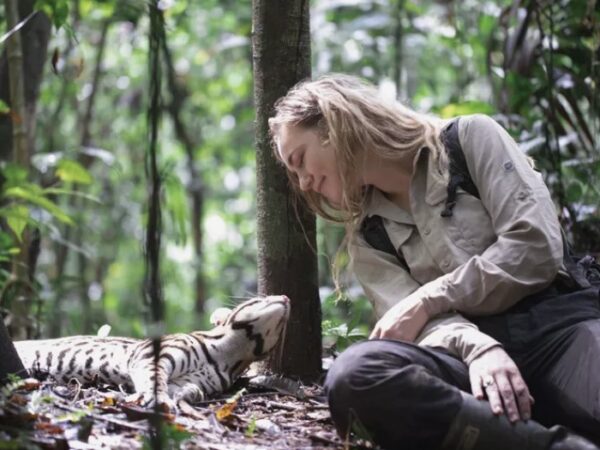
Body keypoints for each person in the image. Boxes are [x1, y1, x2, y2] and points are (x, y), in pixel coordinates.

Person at [268, 74, 600, 450]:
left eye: (299, 160)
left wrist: (431, 297)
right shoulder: (367, 236)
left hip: (559, 329)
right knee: (354, 374)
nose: (304, 183)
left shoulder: (470, 140)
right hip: (462, 362)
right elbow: (407, 325)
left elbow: (535, 247)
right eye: (294, 174)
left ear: (335, 123)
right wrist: (479, 348)